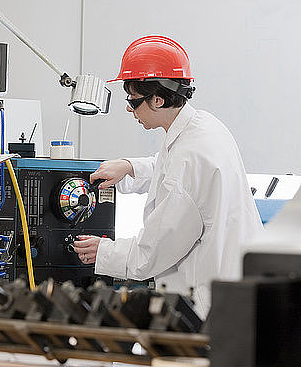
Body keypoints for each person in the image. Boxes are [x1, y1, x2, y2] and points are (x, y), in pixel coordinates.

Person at [72, 36, 263, 317]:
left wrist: (103, 251)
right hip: (239, 287)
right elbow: (172, 169)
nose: (128, 109)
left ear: (158, 99)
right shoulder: (203, 127)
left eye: (133, 101)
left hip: (206, 304)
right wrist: (130, 167)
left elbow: (152, 253)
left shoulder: (188, 157)